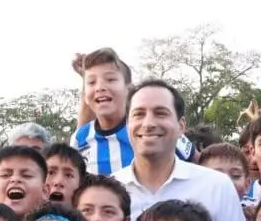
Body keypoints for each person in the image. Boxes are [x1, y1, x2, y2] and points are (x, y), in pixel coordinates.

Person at [112, 80, 248, 221]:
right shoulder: (109, 190)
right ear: (127, 125)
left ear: (181, 125)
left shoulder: (216, 185)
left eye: (161, 113)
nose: (148, 124)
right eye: (139, 114)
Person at [72, 47, 194, 176]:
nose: (100, 87)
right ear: (85, 95)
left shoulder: (152, 128)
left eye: (110, 80)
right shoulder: (80, 138)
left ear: (129, 90)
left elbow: (197, 159)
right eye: (91, 82)